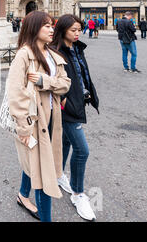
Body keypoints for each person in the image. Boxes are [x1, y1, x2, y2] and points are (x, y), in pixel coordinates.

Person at [7, 10, 71, 222]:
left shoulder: (53, 55)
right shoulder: (24, 55)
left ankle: (23, 195)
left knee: (35, 161)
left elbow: (65, 84)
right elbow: (15, 94)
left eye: (52, 26)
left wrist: (45, 81)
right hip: (33, 122)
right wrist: (23, 129)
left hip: (52, 119)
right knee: (44, 173)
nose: (52, 29)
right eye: (47, 26)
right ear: (35, 28)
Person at [51, 14, 100, 222]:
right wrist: (65, 102)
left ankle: (58, 174)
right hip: (67, 107)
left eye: (79, 29)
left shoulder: (77, 47)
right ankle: (78, 194)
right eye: (73, 30)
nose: (78, 33)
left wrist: (89, 93)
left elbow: (82, 74)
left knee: (65, 141)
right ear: (62, 30)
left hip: (78, 102)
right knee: (82, 150)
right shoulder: (55, 52)